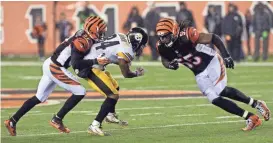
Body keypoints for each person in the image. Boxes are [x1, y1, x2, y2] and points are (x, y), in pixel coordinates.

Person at [155, 18, 270, 131]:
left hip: (211, 61)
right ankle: (251, 117)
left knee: (220, 89)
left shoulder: (186, 35)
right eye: (161, 37)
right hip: (198, 72)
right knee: (214, 99)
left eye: (166, 36)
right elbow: (165, 60)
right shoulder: (161, 47)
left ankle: (256, 104)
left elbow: (213, 38)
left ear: (174, 31)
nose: (163, 39)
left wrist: (226, 55)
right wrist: (170, 65)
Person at [4, 16, 109, 136]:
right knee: (80, 91)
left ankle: (12, 121)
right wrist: (95, 61)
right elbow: (76, 63)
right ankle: (57, 119)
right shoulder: (82, 41)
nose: (101, 34)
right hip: (56, 67)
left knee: (39, 98)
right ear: (92, 31)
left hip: (51, 63)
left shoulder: (84, 36)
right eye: (100, 32)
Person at [72, 27, 148, 136]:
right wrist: (136, 73)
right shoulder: (128, 50)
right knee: (113, 95)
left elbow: (112, 54)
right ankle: (95, 125)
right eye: (142, 45)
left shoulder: (121, 36)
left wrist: (123, 62)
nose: (142, 49)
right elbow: (125, 74)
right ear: (137, 41)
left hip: (92, 62)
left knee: (115, 87)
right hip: (88, 67)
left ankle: (110, 116)